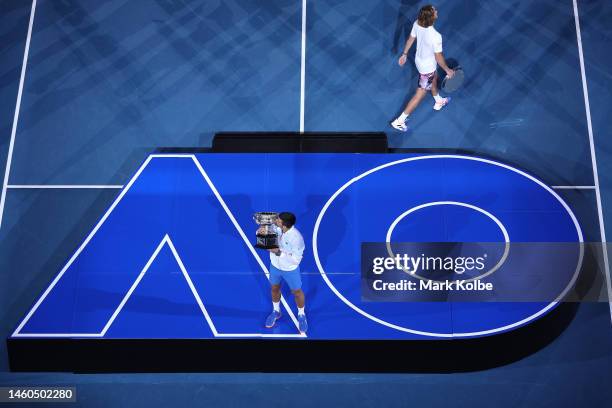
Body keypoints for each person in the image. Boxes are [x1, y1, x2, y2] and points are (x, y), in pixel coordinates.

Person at [391, 4, 455, 132]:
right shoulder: (436, 36)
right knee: (419, 94)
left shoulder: (417, 23)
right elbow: (438, 57)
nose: (436, 11)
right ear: (431, 17)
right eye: (434, 11)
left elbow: (410, 39)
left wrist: (404, 54)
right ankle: (399, 121)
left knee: (433, 77)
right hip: (427, 66)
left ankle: (438, 101)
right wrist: (448, 70)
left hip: (419, 61)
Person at [260, 212, 307, 333]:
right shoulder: (277, 228)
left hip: (290, 269)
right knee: (274, 288)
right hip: (275, 266)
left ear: (284, 225)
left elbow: (296, 260)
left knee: (297, 292)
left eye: (278, 220)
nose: (276, 221)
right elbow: (262, 237)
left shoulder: (297, 239)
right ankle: (276, 311)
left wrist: (278, 252)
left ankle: (301, 314)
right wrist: (261, 231)